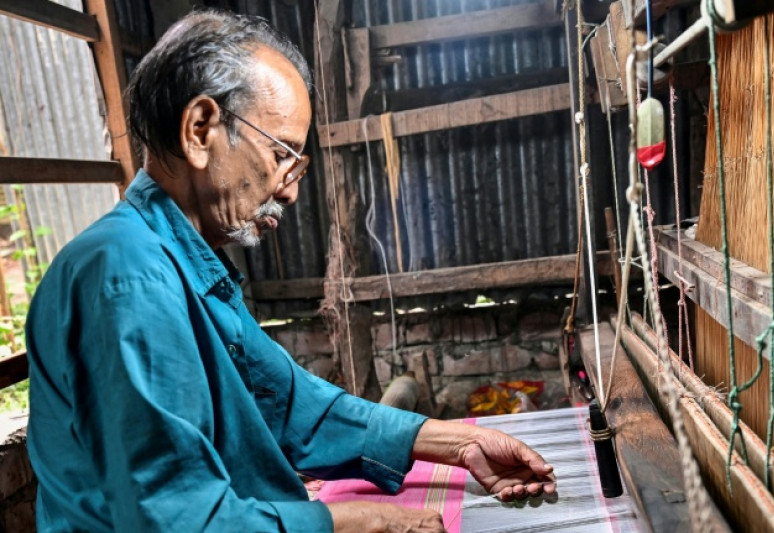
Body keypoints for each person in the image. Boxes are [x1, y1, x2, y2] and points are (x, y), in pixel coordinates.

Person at [24, 8, 556, 532]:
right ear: (200, 129)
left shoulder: (182, 260)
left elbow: (290, 404)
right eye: (283, 154)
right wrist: (359, 521)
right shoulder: (128, 279)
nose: (291, 187)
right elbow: (175, 520)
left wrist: (459, 443)